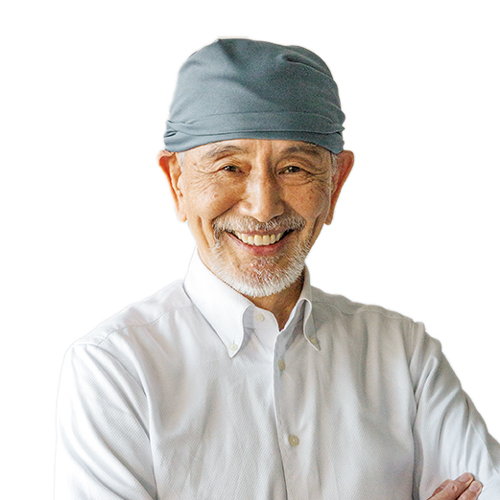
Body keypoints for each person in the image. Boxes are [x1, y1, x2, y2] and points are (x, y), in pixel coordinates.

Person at [55, 38, 500, 499]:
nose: (263, 207)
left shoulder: (404, 354)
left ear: (336, 184)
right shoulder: (115, 368)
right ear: (177, 182)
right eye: (229, 167)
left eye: (293, 169)